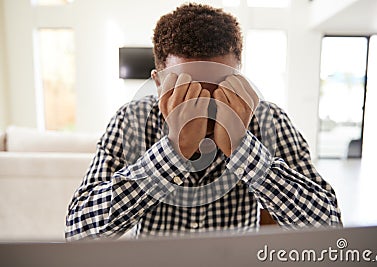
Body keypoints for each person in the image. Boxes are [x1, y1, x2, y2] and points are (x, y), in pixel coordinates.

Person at [65, 3, 342, 241]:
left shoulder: (270, 121)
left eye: (221, 85)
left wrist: (243, 149)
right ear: (159, 83)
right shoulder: (132, 120)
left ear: (239, 76)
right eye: (188, 90)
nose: (205, 106)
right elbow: (78, 231)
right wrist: (173, 150)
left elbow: (328, 225)